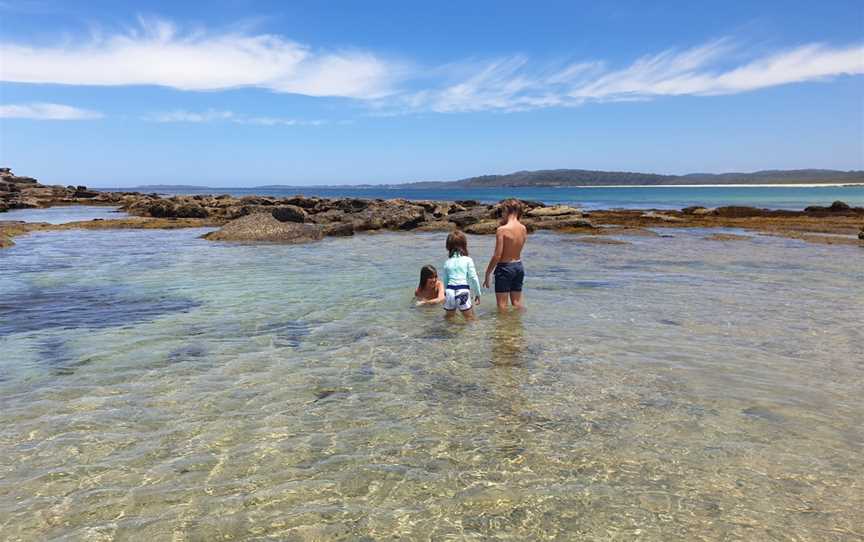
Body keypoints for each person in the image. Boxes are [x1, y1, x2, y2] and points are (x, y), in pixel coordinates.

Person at [484, 199, 527, 311]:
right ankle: (519, 326)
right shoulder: (523, 228)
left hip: (505, 268)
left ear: (507, 210)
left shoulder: (502, 230)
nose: (502, 214)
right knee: (517, 303)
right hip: (519, 266)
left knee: (502, 306)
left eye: (502, 211)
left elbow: (497, 256)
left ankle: (504, 328)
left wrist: (487, 273)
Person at [441, 231, 482, 320]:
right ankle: (474, 334)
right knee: (471, 318)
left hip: (449, 291)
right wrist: (477, 293)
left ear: (448, 246)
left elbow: (445, 281)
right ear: (464, 245)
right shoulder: (468, 260)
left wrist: (445, 294)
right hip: (462, 291)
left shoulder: (447, 262)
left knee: (449, 319)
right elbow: (473, 278)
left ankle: (448, 334)